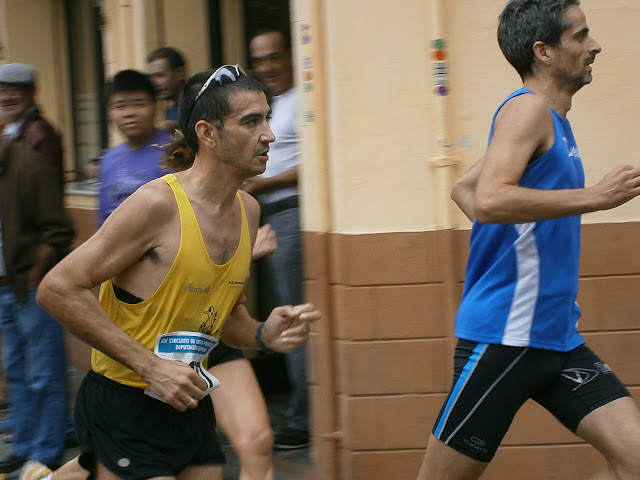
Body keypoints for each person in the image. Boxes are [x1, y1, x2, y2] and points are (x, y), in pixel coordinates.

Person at [34, 65, 320, 480]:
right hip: (125, 401)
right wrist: (150, 367)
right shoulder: (156, 206)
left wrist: (262, 333)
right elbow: (57, 289)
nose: (269, 136)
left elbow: (225, 320)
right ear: (207, 133)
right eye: (251, 121)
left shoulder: (249, 211)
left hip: (188, 399)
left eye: (268, 120)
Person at [417, 2, 640, 479]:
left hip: (557, 338)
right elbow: (493, 200)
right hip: (507, 337)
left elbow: (467, 191)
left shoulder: (553, 121)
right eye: (580, 36)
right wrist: (596, 197)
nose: (595, 46)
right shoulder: (527, 110)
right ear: (543, 51)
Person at [0, 111, 74, 476]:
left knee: (45, 373)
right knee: (16, 372)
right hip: (5, 289)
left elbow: (58, 229)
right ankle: (26, 446)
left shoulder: (28, 165)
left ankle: (46, 452)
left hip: (31, 286)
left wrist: (33, 275)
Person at [247, 28, 308, 451]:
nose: (268, 66)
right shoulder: (267, 106)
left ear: (289, 54)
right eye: (260, 60)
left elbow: (312, 164)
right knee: (268, 313)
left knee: (290, 316)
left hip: (288, 214)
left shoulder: (303, 100)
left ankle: (302, 419)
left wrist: (262, 185)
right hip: (262, 218)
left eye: (274, 57)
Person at [0, 63, 64, 191]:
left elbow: (48, 190)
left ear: (32, 92)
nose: (7, 97)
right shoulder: (8, 130)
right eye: (2, 91)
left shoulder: (40, 132)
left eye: (15, 90)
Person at [147, 46, 187, 132]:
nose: (154, 83)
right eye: (151, 78)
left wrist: (177, 127)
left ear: (180, 72)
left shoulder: (202, 104)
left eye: (159, 75)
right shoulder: (171, 111)